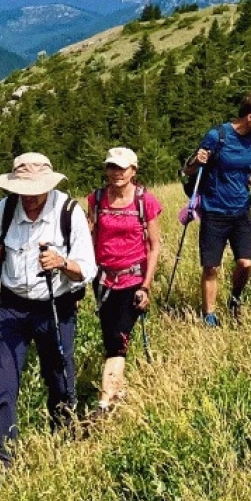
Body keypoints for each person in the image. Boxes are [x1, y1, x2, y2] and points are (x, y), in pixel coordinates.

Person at [0, 153, 96, 458]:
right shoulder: (4, 211)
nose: (30, 198)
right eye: (23, 191)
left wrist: (62, 263)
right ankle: (2, 457)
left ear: (49, 186)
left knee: (60, 378)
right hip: (12, 306)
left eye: (36, 191)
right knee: (3, 385)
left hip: (56, 305)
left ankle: (64, 443)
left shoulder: (68, 211)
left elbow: (87, 268)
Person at [185, 92, 251, 326]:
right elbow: (189, 170)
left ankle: (235, 299)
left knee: (245, 263)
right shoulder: (217, 136)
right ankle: (209, 316)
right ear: (249, 117)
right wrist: (196, 160)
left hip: (241, 210)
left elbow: (246, 174)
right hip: (215, 210)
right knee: (211, 267)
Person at [85, 147, 162, 414]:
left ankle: (104, 403)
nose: (116, 173)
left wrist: (146, 286)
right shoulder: (96, 199)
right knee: (110, 338)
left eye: (122, 168)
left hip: (133, 280)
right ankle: (118, 391)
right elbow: (90, 238)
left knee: (118, 342)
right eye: (112, 167)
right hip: (103, 281)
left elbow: (155, 246)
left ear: (133, 171)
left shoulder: (145, 201)